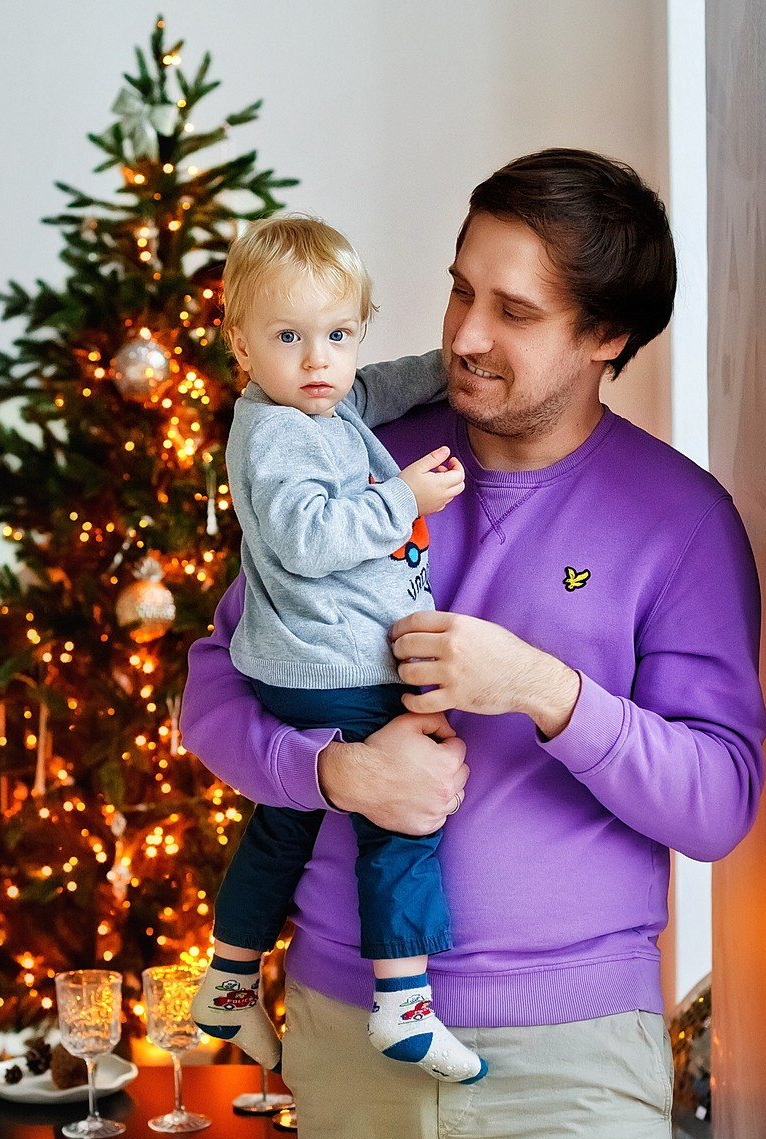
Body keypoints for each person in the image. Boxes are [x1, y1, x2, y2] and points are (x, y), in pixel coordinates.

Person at [182, 149, 766, 1139]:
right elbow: (211, 696)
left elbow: (717, 800)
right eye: (459, 290)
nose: (464, 335)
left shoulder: (677, 519)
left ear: (605, 336)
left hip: (572, 1061)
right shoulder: (350, 460)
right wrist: (334, 771)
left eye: (513, 310)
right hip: (351, 1038)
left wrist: (547, 689)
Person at [186, 214, 487, 1086]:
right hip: (339, 669)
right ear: (239, 342)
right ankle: (403, 1002)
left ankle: (231, 979)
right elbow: (310, 536)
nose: (319, 360)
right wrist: (404, 496)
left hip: (309, 667)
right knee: (406, 808)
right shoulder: (273, 433)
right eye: (289, 337)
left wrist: (451, 365)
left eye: (339, 334)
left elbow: (380, 387)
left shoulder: (321, 399)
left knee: (283, 825)